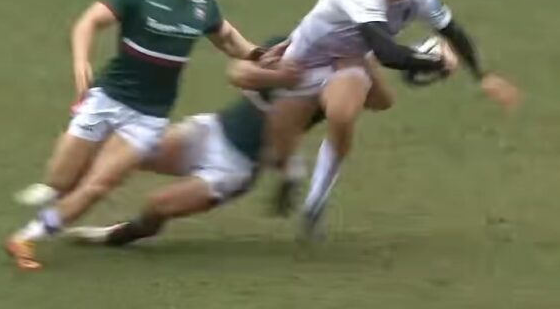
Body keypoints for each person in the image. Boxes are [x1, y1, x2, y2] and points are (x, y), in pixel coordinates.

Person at [5, 0, 263, 270]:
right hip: (107, 99)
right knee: (62, 181)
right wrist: (81, 61)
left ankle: (26, 238)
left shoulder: (204, 5)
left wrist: (259, 54)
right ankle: (59, 187)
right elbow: (88, 22)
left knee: (99, 185)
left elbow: (227, 39)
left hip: (149, 117)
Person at [265, 0, 521, 236]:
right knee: (273, 145)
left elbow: (454, 32)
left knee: (342, 116)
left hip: (347, 61)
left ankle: (314, 204)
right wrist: (437, 63)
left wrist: (481, 75)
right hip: (300, 67)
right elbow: (387, 55)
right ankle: (290, 169)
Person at [61, 38, 395, 247]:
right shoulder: (294, 48)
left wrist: (366, 67)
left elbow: (382, 101)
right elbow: (237, 72)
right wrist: (277, 76)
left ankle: (117, 236)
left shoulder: (342, 88)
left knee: (157, 206)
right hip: (211, 131)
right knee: (128, 152)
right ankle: (64, 193)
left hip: (235, 168)